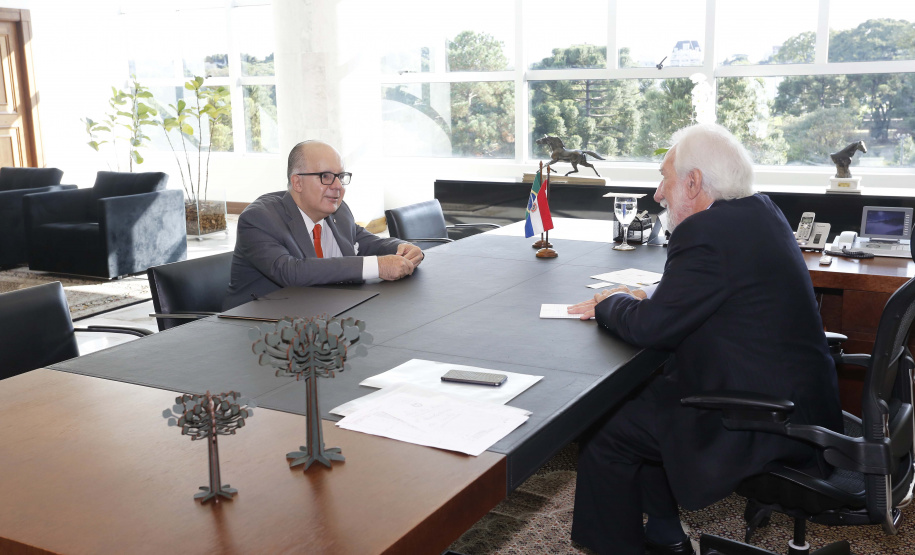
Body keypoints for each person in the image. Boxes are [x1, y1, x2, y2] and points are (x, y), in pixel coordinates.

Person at [567, 124, 843, 555]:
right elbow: (715, 288)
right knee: (645, 397)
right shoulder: (760, 212)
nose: (658, 193)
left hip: (761, 420)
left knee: (606, 425)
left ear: (693, 183)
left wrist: (609, 303)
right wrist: (650, 293)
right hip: (803, 402)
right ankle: (665, 534)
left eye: (664, 177)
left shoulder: (705, 234)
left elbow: (649, 328)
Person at [224, 140, 422, 309]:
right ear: (297, 183)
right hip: (261, 327)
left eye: (340, 177)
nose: (337, 186)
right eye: (326, 177)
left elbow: (364, 240)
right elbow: (291, 272)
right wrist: (377, 266)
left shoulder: (339, 210)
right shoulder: (259, 218)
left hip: (321, 315)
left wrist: (401, 248)